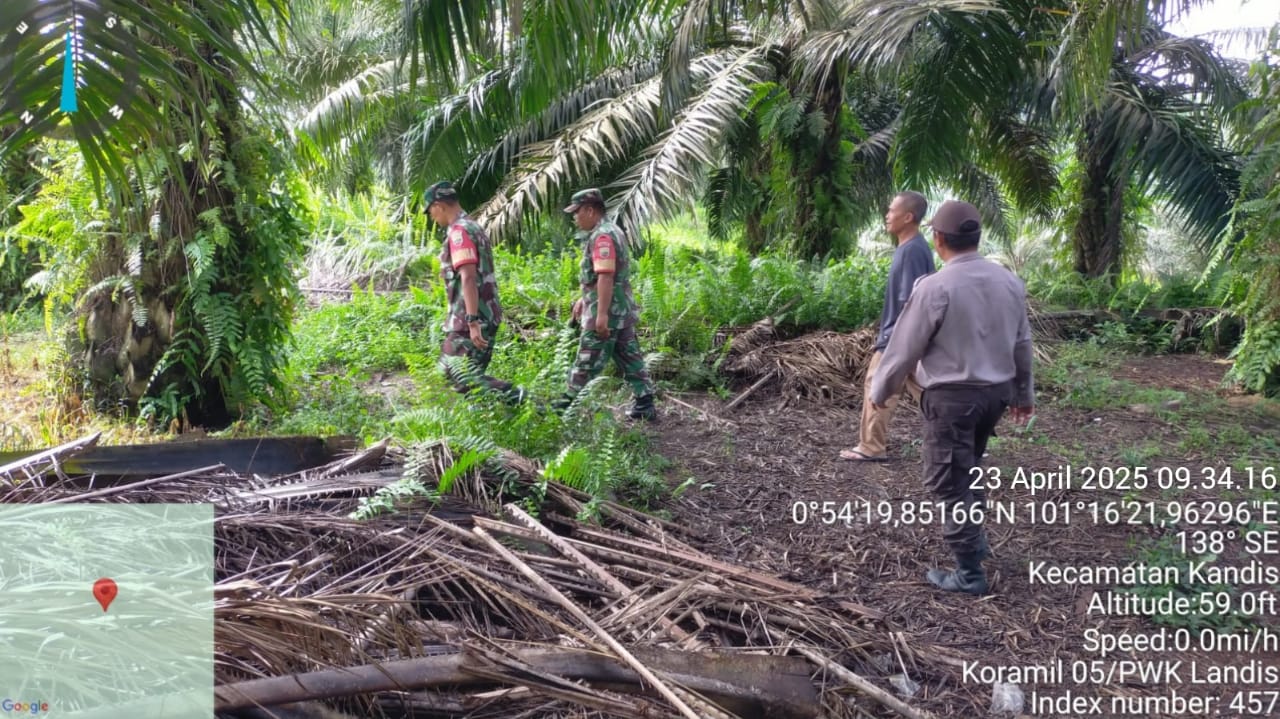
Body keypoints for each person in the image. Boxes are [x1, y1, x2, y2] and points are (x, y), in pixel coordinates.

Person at [869, 199, 1035, 595]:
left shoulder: (935, 286)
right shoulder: (1009, 282)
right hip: (994, 396)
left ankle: (969, 572)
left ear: (939, 239)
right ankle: (976, 541)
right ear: (976, 237)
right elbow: (1022, 343)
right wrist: (1023, 394)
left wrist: (881, 389)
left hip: (952, 400)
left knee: (950, 480)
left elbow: (904, 347)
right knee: (969, 467)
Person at [840, 191, 935, 462]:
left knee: (878, 384)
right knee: (929, 392)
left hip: (899, 337)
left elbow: (910, 301)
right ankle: (966, 437)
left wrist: (897, 341)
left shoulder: (911, 251)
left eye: (892, 210)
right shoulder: (911, 248)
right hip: (908, 337)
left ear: (908, 217)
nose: (887, 215)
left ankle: (871, 447)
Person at [553, 188, 657, 421]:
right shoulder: (612, 230)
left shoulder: (602, 237)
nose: (575, 217)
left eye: (577, 212)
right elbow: (605, 275)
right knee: (629, 356)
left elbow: (606, 275)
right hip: (621, 310)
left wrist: (600, 315)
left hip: (607, 312)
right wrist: (584, 298)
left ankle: (562, 409)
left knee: (586, 361)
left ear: (590, 210)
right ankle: (645, 402)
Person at [424, 181, 523, 404]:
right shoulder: (472, 226)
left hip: (471, 319)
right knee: (468, 378)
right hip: (483, 315)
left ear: (439, 205)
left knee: (453, 373)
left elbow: (468, 277)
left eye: (430, 211)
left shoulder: (459, 232)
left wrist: (472, 321)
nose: (432, 217)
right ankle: (508, 407)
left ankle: (518, 397)